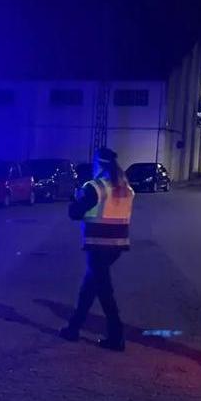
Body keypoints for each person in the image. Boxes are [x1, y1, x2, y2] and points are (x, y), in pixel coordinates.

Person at [59, 147, 134, 351]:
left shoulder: (96, 187)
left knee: (103, 291)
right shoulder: (125, 187)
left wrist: (76, 199)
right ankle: (73, 329)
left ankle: (116, 337)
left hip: (98, 244)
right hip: (116, 247)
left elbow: (75, 213)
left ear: (99, 165)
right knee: (89, 289)